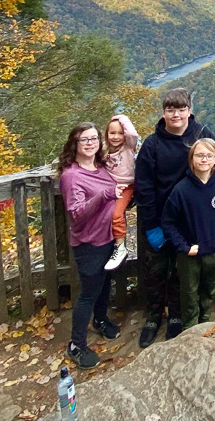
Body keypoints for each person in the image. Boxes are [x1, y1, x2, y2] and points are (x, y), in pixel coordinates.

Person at [134, 88, 215, 347]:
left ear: (189, 111)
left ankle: (177, 317)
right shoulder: (152, 144)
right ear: (163, 112)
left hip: (189, 222)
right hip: (158, 219)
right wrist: (151, 226)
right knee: (155, 271)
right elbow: (144, 188)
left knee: (182, 272)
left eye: (181, 109)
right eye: (171, 109)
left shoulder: (201, 135)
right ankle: (153, 317)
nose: (176, 114)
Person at [58, 122, 124, 370]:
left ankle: (100, 320)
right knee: (89, 293)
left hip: (109, 238)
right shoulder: (71, 176)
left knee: (106, 282)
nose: (90, 143)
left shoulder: (101, 166)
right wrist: (105, 196)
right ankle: (76, 345)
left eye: (94, 138)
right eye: (84, 139)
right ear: (74, 144)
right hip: (89, 242)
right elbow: (76, 214)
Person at [161, 138, 215, 330]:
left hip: (214, 250)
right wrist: (184, 247)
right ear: (191, 158)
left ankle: (205, 324)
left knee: (209, 290)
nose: (204, 159)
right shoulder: (181, 190)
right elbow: (168, 223)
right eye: (200, 155)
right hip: (190, 254)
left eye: (209, 156)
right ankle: (191, 330)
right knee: (189, 293)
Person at [104, 114, 139, 272]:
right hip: (110, 187)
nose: (116, 137)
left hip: (127, 186)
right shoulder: (104, 150)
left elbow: (132, 134)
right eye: (112, 133)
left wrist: (121, 117)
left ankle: (120, 246)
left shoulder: (128, 146)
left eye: (120, 133)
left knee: (116, 215)